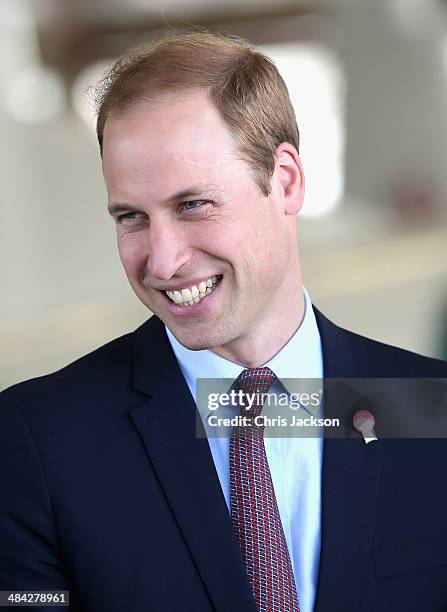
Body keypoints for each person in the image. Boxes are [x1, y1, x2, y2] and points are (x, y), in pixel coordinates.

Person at [1, 30, 447, 612]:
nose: (162, 261)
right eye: (132, 217)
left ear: (285, 181)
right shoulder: (39, 441)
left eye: (192, 205)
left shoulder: (428, 408)